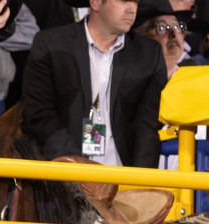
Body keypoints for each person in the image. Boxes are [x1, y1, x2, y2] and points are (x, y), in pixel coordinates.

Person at [20, 0, 167, 166]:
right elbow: (40, 115)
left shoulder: (149, 53)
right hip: (62, 172)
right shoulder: (50, 44)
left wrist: (141, 183)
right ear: (96, 3)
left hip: (124, 176)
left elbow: (148, 125)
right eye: (123, 1)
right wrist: (78, 168)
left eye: (135, 2)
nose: (131, 9)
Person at [133, 0, 195, 75]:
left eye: (176, 26)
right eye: (162, 28)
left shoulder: (194, 79)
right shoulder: (127, 82)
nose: (174, 34)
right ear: (141, 37)